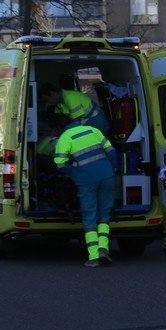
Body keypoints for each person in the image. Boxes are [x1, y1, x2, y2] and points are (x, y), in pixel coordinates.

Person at [53, 118, 118, 268]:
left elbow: (60, 163)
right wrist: (110, 168)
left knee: (90, 217)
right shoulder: (93, 130)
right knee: (104, 215)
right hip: (107, 177)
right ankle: (104, 249)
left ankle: (94, 256)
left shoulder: (65, 137)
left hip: (86, 181)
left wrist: (75, 171)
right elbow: (111, 151)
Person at [40, 82, 110, 136]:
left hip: (98, 124)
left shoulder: (70, 97)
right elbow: (60, 120)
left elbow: (75, 122)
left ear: (52, 93)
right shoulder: (59, 105)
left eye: (47, 100)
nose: (48, 103)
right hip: (88, 125)